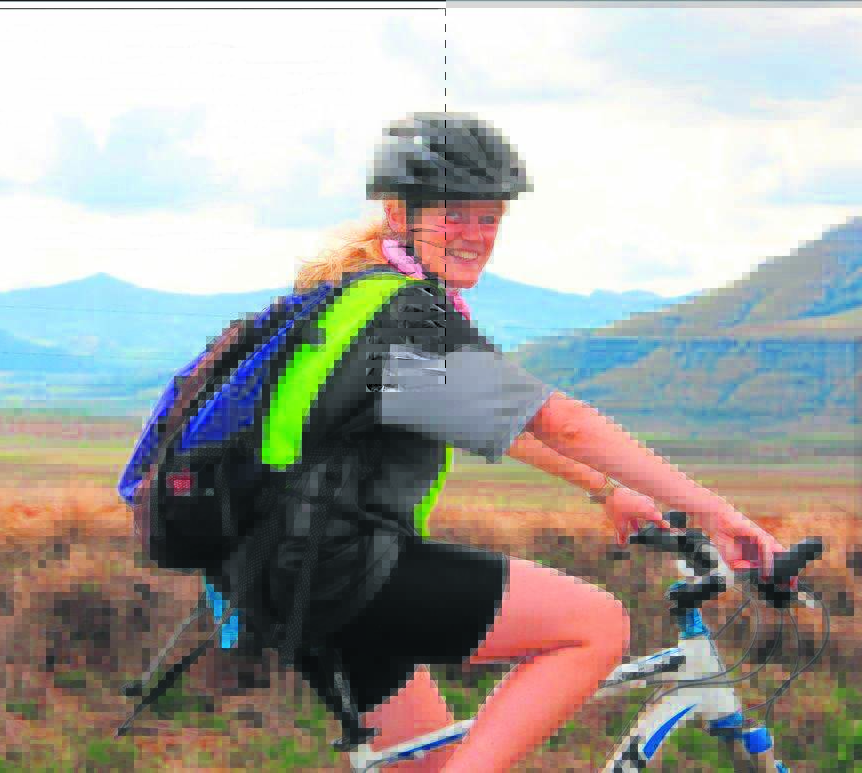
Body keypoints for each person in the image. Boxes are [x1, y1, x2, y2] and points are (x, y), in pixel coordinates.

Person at [243, 112, 786, 772]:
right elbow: (560, 423)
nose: (475, 233)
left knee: (437, 762)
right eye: (452, 213)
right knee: (595, 625)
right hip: (341, 569)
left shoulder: (357, 296)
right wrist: (717, 512)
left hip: (285, 569)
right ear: (397, 212)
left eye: (490, 216)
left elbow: (508, 422)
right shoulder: (404, 316)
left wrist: (607, 489)